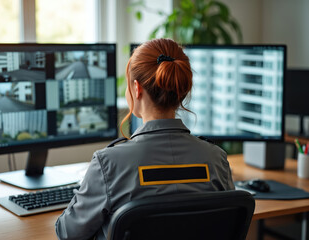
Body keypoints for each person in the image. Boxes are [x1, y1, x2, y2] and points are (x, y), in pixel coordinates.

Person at [55, 38, 235, 240]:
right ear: (182, 90)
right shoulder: (217, 159)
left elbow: (68, 233)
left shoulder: (108, 164)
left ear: (136, 88)